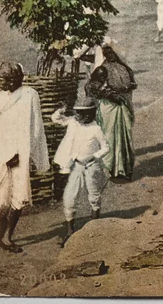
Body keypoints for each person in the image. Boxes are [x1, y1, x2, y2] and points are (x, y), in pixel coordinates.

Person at [0, 64, 49, 253]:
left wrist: (23, 153)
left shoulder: (29, 95)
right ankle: (1, 232)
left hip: (20, 152)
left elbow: (36, 126)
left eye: (2, 79)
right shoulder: (0, 97)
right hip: (1, 151)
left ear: (12, 80)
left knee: (18, 196)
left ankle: (7, 237)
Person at [52, 90, 110, 247]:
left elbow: (106, 147)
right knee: (70, 197)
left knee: (94, 195)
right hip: (77, 166)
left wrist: (95, 156)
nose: (78, 117)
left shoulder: (96, 129)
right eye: (77, 113)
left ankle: (94, 228)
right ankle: (70, 230)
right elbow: (56, 119)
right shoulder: (72, 122)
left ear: (90, 115)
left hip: (91, 166)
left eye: (81, 114)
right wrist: (62, 109)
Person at [86, 41, 136, 180]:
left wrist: (126, 90)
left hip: (122, 106)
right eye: (107, 53)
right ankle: (111, 169)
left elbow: (131, 84)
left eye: (112, 53)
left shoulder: (123, 68)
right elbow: (92, 86)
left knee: (124, 138)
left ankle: (124, 169)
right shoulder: (102, 69)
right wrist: (111, 94)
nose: (110, 55)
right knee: (109, 137)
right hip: (109, 107)